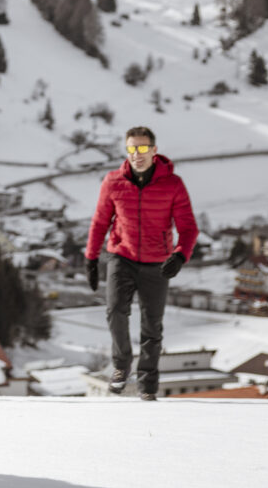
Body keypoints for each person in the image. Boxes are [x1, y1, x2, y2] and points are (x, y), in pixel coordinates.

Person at [84, 126, 198, 400]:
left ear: (154, 151)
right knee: (115, 312)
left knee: (152, 325)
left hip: (157, 263)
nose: (138, 154)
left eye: (143, 148)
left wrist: (180, 255)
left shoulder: (173, 184)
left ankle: (148, 383)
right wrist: (91, 258)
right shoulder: (113, 181)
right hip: (121, 257)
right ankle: (121, 365)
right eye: (132, 148)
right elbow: (100, 222)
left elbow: (189, 228)